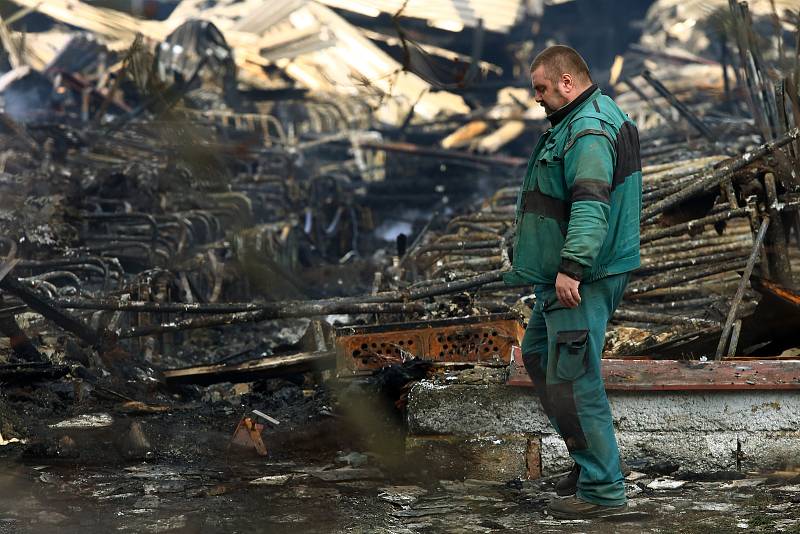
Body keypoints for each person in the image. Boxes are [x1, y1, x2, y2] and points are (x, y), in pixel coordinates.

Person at [503, 45, 642, 519]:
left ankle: (604, 492)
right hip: (563, 278)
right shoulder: (581, 119)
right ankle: (587, 464)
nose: (535, 97)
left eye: (540, 87)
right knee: (541, 357)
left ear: (566, 82)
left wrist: (572, 267)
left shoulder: (586, 130)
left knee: (579, 381)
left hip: (581, 279)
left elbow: (590, 203)